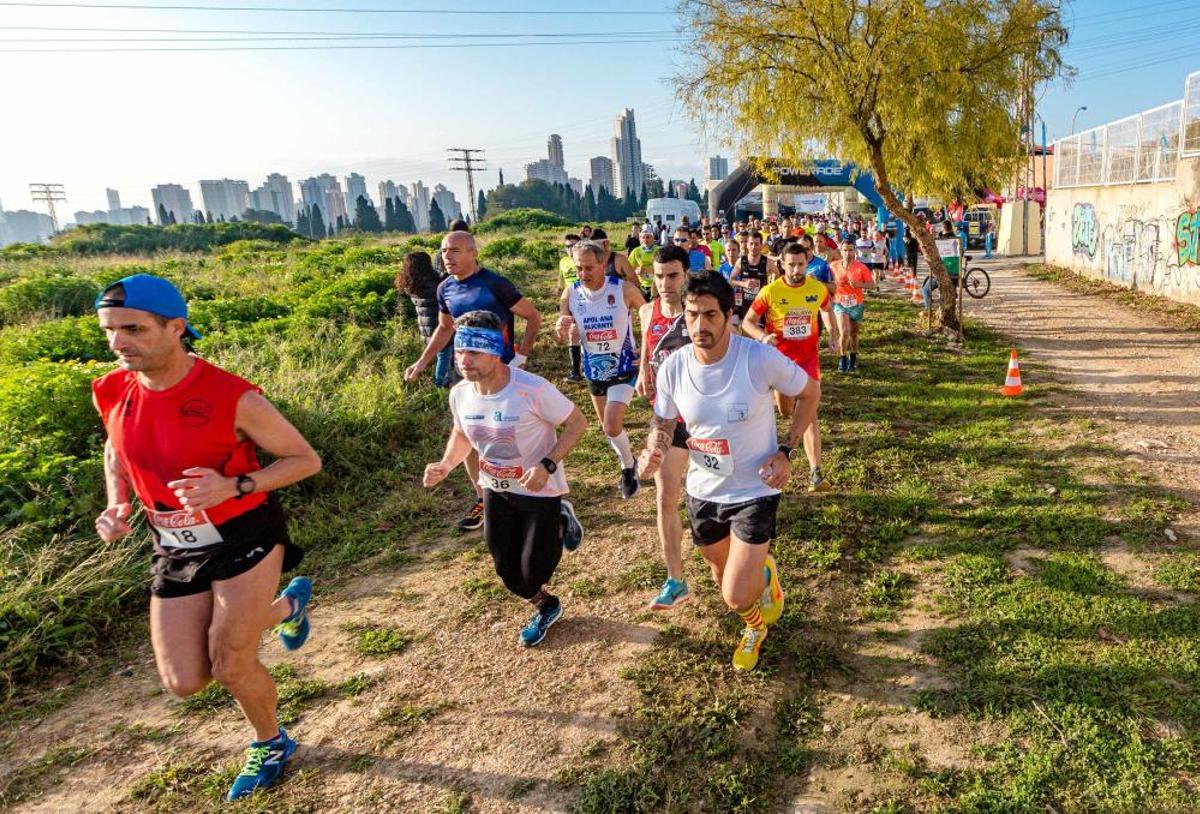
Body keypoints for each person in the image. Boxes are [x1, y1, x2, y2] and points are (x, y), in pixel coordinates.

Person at [92, 274, 322, 801]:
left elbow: (304, 460)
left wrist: (233, 485)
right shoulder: (111, 389)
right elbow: (115, 450)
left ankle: (270, 742)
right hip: (173, 543)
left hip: (244, 533)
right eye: (109, 331)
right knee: (185, 680)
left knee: (230, 663)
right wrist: (117, 502)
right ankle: (288, 608)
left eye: (133, 329)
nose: (118, 342)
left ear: (176, 328)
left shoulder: (231, 395)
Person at [637, 271, 820, 671]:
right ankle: (759, 597)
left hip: (756, 489)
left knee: (735, 595)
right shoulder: (673, 367)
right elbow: (663, 422)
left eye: (710, 315)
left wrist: (786, 451)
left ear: (729, 315)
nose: (699, 326)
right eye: (691, 315)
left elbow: (810, 392)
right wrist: (654, 449)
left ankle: (754, 624)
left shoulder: (757, 358)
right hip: (703, 491)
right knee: (721, 576)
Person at [424, 311, 587, 647]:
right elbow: (462, 434)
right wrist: (445, 464)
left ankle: (559, 518)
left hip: (538, 491)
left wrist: (547, 464)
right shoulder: (460, 394)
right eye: (459, 351)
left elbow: (577, 423)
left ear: (495, 350)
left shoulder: (532, 389)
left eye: (473, 352)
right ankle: (546, 605)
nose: (463, 360)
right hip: (495, 490)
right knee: (508, 572)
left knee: (535, 570)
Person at [405, 231, 543, 532]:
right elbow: (444, 329)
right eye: (444, 251)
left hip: (502, 373)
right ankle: (484, 498)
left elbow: (533, 317)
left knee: (508, 435)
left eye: (454, 250)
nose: (447, 256)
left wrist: (521, 355)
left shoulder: (495, 284)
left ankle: (529, 492)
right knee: (469, 434)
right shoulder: (444, 288)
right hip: (466, 375)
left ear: (472, 253)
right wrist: (422, 362)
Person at [742, 243, 836, 493]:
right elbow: (748, 322)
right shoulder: (770, 291)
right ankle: (789, 416)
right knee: (786, 411)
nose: (796, 270)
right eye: (791, 265)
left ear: (807, 264)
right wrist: (763, 337)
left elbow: (827, 309)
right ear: (782, 265)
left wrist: (833, 333)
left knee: (809, 414)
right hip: (780, 363)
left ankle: (816, 473)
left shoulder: (816, 288)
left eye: (800, 265)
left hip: (808, 362)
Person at [556, 239, 647, 499]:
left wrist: (646, 349)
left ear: (602, 263)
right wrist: (560, 330)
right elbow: (560, 335)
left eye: (589, 268)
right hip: (594, 370)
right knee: (608, 427)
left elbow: (650, 317)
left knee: (611, 425)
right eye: (579, 268)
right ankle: (627, 461)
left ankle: (628, 468)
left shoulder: (623, 289)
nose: (583, 273)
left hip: (623, 366)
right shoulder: (570, 294)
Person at [635, 245, 693, 610]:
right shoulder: (647, 311)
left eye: (672, 276)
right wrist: (643, 369)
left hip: (706, 419)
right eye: (658, 276)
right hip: (670, 420)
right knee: (665, 497)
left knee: (714, 501)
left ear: (686, 275)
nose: (665, 283)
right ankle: (675, 579)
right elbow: (648, 345)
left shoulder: (698, 311)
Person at [395, 251, 454, 388]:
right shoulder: (431, 284)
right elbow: (444, 284)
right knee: (444, 356)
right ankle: (440, 385)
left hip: (426, 328)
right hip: (438, 327)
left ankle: (443, 381)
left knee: (441, 355)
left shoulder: (412, 284)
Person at [830, 237, 878, 373]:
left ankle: (853, 356)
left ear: (854, 251)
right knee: (844, 331)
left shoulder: (861, 267)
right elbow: (827, 280)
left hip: (856, 304)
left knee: (854, 333)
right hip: (840, 302)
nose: (848, 253)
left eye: (850, 250)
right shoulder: (833, 266)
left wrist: (859, 285)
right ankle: (842, 358)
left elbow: (872, 285)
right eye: (845, 250)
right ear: (841, 251)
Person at [729, 230, 771, 323]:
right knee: (742, 329)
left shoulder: (767, 262)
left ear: (761, 245)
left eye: (756, 244)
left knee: (758, 330)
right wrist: (743, 284)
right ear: (747, 245)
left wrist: (770, 285)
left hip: (760, 305)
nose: (753, 247)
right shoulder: (741, 261)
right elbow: (731, 281)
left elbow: (776, 273)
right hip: (744, 304)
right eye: (751, 244)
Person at [559, 233, 584, 383]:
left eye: (573, 245)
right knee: (572, 332)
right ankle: (575, 372)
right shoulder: (563, 262)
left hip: (585, 299)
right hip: (569, 299)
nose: (570, 249)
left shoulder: (583, 260)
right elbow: (562, 279)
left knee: (585, 332)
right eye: (567, 246)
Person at [921, 221, 960, 309]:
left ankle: (928, 310)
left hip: (943, 272)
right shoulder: (957, 240)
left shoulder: (940, 241)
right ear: (951, 228)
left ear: (943, 229)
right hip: (955, 272)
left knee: (925, 289)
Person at [627, 226, 659, 301]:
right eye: (643, 237)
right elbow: (628, 269)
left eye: (648, 237)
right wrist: (636, 271)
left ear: (653, 238)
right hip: (642, 286)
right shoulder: (636, 251)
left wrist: (652, 270)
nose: (645, 240)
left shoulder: (659, 250)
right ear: (640, 239)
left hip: (657, 285)